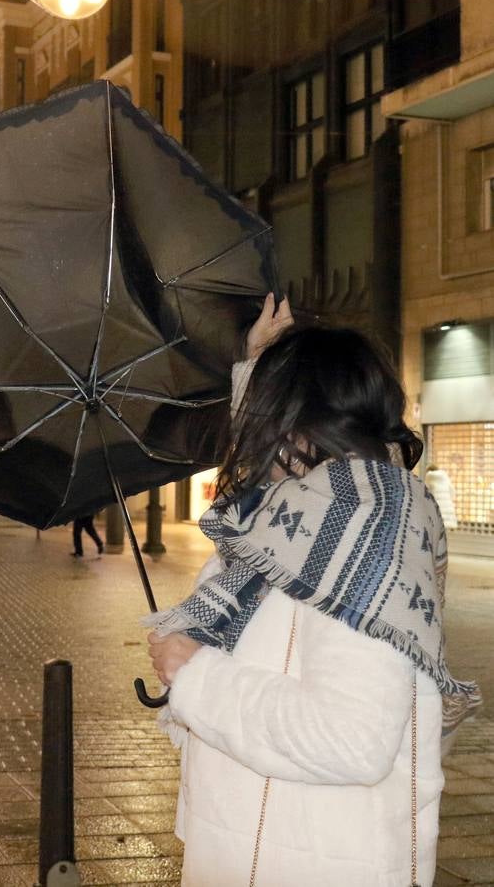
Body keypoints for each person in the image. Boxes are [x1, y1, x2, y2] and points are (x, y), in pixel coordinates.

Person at [145, 294, 480, 887]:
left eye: (265, 415)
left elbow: (348, 739)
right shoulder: (303, 515)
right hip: (255, 847)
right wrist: (257, 368)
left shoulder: (364, 532)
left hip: (306, 861)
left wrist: (195, 673)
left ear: (295, 423)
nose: (248, 434)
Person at [425, 463, 458, 530]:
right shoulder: (444, 476)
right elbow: (452, 490)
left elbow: (426, 492)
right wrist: (448, 499)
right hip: (447, 504)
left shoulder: (429, 477)